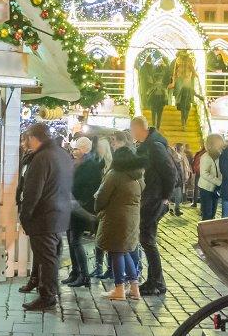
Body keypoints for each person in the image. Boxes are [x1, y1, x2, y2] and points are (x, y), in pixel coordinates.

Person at [16, 122, 73, 312]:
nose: (26, 143)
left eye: (27, 139)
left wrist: (25, 217)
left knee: (47, 258)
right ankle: (48, 289)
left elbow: (33, 192)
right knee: (50, 256)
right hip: (59, 214)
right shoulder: (62, 154)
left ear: (33, 138)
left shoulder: (41, 158)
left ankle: (47, 296)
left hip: (44, 216)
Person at [128, 115, 175, 296]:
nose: (132, 134)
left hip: (154, 197)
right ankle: (155, 281)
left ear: (139, 129)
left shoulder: (154, 146)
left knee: (147, 238)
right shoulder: (150, 144)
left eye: (133, 130)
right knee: (147, 239)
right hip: (152, 195)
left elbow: (169, 171)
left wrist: (165, 196)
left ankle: (156, 282)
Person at [96, 144, 146, 302]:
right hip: (132, 218)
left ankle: (119, 289)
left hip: (116, 218)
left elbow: (102, 197)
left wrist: (97, 207)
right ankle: (134, 288)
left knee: (116, 251)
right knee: (126, 251)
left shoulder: (115, 174)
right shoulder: (138, 176)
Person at [66, 136, 104, 287]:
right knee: (71, 239)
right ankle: (76, 272)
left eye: (77, 149)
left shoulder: (90, 166)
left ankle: (84, 275)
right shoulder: (79, 163)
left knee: (75, 240)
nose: (74, 151)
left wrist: (80, 201)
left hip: (81, 207)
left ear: (84, 150)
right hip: (73, 205)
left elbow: (89, 187)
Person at [195, 135, 223, 220]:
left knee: (213, 212)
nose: (222, 143)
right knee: (207, 212)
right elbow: (204, 173)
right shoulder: (206, 156)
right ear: (213, 143)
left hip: (215, 188)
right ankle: (205, 231)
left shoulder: (220, 154)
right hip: (206, 188)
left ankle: (211, 230)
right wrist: (219, 182)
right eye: (219, 141)